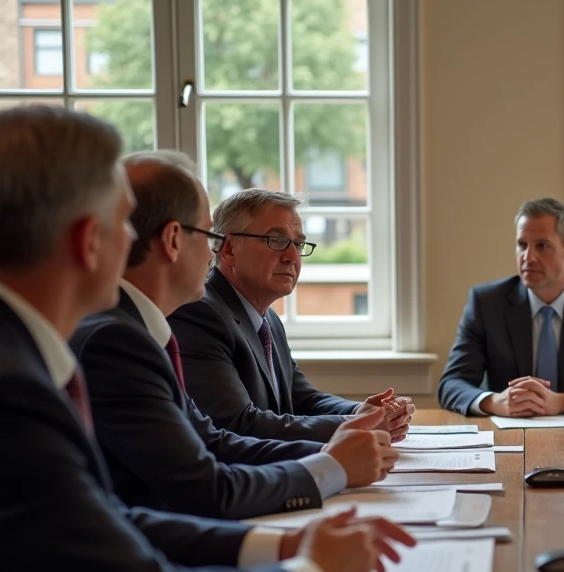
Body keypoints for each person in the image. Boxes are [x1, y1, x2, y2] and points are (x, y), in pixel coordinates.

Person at [0, 106, 413, 572]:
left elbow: (108, 517)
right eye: (120, 223)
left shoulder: (27, 353)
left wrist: (285, 545)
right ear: (91, 240)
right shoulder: (13, 389)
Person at [72, 153, 398, 520]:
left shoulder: (143, 330)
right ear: (174, 240)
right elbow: (209, 477)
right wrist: (331, 464)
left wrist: (346, 437)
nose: (293, 256)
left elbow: (213, 442)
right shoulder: (119, 340)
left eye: (298, 243)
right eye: (208, 233)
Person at [169, 188, 413, 443]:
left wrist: (360, 412)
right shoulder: (200, 314)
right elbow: (237, 424)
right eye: (276, 240)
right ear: (229, 249)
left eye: (298, 243)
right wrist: (357, 426)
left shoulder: (267, 318)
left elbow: (301, 399)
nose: (293, 257)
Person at [438, 197, 564, 416]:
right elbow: (451, 384)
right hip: (507, 436)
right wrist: (494, 402)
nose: (528, 257)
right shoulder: (487, 303)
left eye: (542, 246)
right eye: (522, 245)